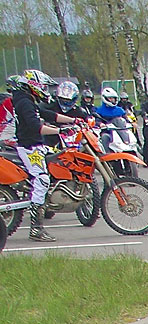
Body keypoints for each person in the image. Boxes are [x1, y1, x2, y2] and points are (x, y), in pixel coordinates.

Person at [9, 70, 80, 242]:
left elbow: (46, 114)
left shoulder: (26, 100)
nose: (45, 90)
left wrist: (73, 120)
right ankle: (36, 229)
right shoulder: (24, 102)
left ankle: (52, 195)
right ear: (35, 85)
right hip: (29, 147)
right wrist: (60, 131)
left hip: (36, 145)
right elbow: (36, 126)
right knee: (42, 180)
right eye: (44, 86)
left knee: (61, 158)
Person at [44, 81, 89, 148]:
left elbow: (88, 122)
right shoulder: (50, 107)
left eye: (68, 100)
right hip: (53, 139)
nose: (65, 102)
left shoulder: (79, 111)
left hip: (75, 140)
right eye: (63, 99)